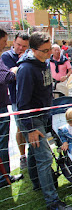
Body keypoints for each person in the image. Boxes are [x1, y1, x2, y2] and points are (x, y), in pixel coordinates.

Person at [16, 31, 72, 209]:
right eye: (46, 50)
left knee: (35, 154)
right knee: (45, 158)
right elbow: (22, 103)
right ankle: (53, 202)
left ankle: (37, 184)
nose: (50, 53)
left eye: (50, 49)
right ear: (33, 50)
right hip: (31, 120)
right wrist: (31, 128)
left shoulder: (45, 62)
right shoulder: (26, 69)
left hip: (43, 115)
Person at [1, 32, 29, 170]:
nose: (21, 48)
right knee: (20, 128)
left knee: (31, 126)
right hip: (16, 99)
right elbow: (9, 77)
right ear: (13, 42)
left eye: (24, 46)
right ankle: (22, 156)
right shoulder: (6, 56)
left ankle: (33, 156)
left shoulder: (29, 55)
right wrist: (21, 67)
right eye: (18, 45)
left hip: (30, 99)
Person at [0, 28, 24, 188]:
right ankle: (4, 178)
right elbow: (6, 77)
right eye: (4, 41)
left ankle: (5, 176)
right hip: (7, 104)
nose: (5, 44)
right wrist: (16, 69)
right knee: (3, 141)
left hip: (5, 103)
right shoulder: (4, 57)